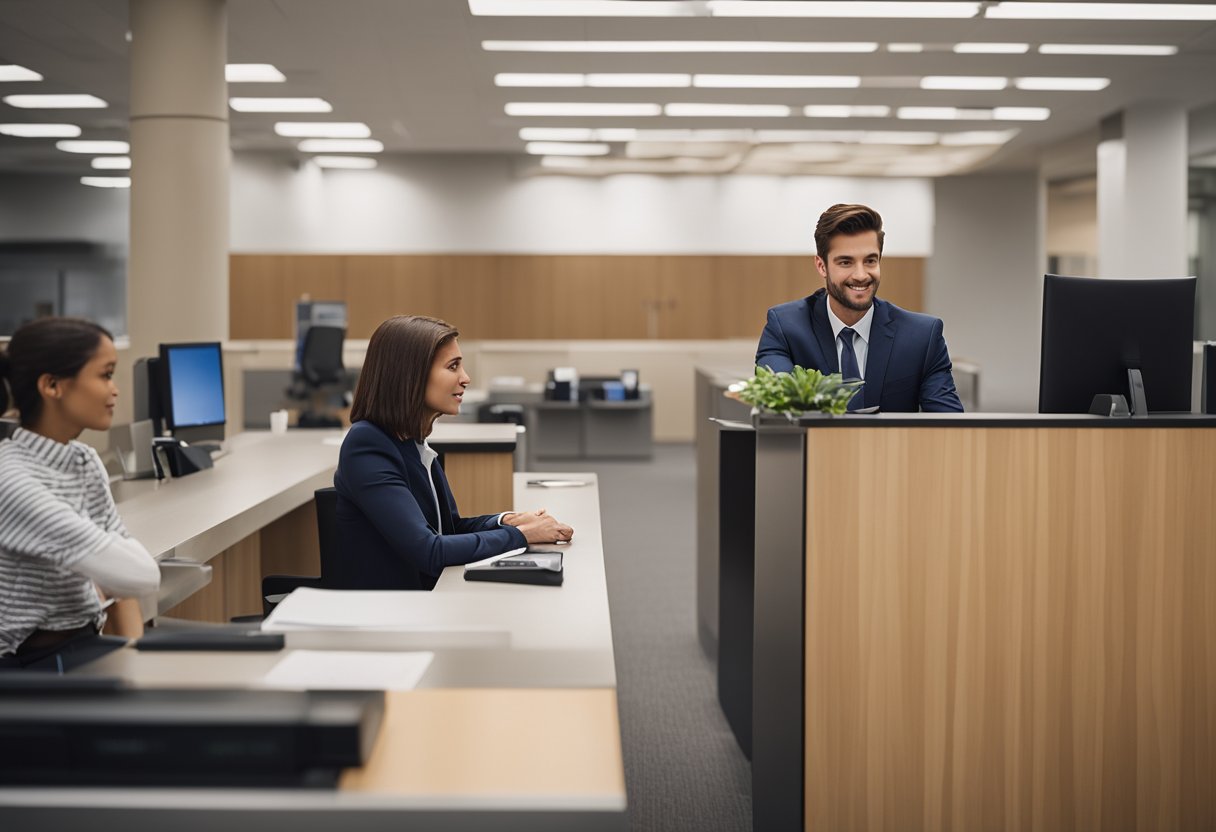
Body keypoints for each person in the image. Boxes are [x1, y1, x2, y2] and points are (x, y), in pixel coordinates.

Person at [334, 315, 573, 590]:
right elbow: (429, 550)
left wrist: (507, 520)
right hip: (389, 615)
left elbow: (450, 530)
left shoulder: (412, 441)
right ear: (410, 375)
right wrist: (521, 535)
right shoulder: (367, 444)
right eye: (453, 367)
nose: (466, 378)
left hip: (421, 604)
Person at [0, 317, 161, 668]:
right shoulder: (12, 481)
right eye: (105, 375)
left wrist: (134, 662)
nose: (114, 390)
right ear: (52, 385)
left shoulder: (83, 460)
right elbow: (141, 575)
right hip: (28, 668)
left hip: (82, 642)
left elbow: (124, 582)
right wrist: (109, 568)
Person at [755, 203, 963, 413]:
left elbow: (951, 427)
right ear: (822, 266)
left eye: (870, 261)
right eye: (846, 262)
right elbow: (778, 405)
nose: (861, 275)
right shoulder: (785, 328)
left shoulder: (922, 336)